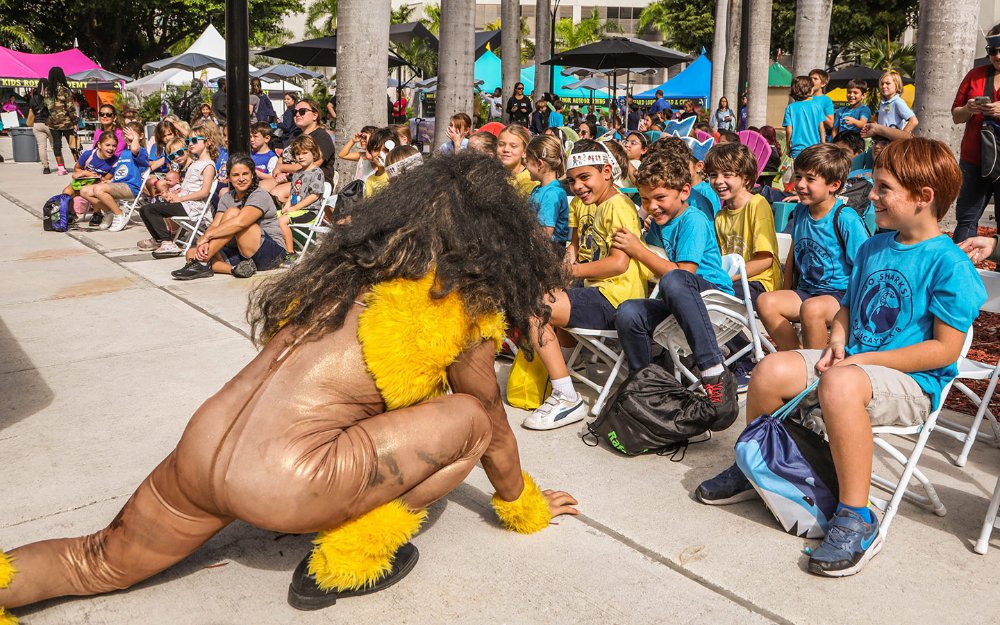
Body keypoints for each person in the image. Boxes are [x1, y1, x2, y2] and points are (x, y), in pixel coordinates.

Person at [0, 152, 578, 621]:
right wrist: (523, 505)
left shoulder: (341, 274)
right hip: (287, 482)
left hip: (200, 450)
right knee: (471, 418)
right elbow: (493, 429)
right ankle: (344, 559)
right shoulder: (455, 302)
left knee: (92, 561)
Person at [697, 137, 985, 577]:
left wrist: (860, 363)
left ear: (923, 197)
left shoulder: (948, 263)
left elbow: (943, 350)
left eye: (883, 188)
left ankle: (856, 515)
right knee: (771, 369)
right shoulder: (875, 247)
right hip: (850, 365)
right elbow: (848, 305)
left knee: (839, 382)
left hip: (911, 382)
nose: (871, 195)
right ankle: (759, 468)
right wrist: (837, 340)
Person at [521, 140, 648, 430]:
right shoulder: (589, 203)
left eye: (584, 178)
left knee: (538, 309)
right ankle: (560, 375)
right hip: (596, 290)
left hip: (616, 298)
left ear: (606, 171)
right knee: (541, 297)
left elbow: (619, 263)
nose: (577, 186)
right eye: (573, 180)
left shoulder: (618, 206)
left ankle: (566, 396)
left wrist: (573, 271)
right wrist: (563, 267)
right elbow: (575, 246)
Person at [611, 149, 739, 422]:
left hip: (715, 300)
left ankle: (713, 370)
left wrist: (638, 249)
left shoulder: (693, 219)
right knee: (628, 312)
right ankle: (647, 388)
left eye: (660, 198)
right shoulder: (659, 224)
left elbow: (684, 273)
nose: (652, 205)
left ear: (684, 191)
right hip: (677, 300)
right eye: (645, 199)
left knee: (674, 279)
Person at [756, 144, 869, 351]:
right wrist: (786, 289)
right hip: (807, 291)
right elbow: (793, 255)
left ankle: (816, 374)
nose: (800, 184)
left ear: (833, 185)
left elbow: (864, 265)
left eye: (810, 179)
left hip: (840, 296)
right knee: (765, 301)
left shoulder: (845, 218)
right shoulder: (801, 211)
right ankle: (798, 358)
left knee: (811, 309)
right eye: (798, 176)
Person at [164, 153, 284, 280]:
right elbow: (215, 224)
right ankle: (236, 269)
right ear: (229, 178)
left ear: (252, 174)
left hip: (270, 253)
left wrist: (207, 237)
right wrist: (206, 242)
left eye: (245, 174)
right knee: (191, 253)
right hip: (242, 252)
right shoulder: (227, 197)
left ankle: (199, 264)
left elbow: (240, 222)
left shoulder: (259, 195)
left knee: (233, 213)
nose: (241, 178)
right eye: (236, 175)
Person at [708, 142, 782, 315]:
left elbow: (765, 260)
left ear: (746, 178)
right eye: (713, 175)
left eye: (727, 175)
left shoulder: (757, 204)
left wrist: (727, 279)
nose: (718, 181)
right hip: (734, 280)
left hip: (760, 283)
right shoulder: (721, 216)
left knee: (714, 302)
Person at [951, 24, 1000, 243]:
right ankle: (959, 272)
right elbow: (956, 115)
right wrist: (968, 109)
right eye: (992, 50)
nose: (997, 55)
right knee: (966, 219)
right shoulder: (976, 74)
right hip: (974, 160)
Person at [136, 135, 217, 257]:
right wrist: (171, 195)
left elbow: (203, 192)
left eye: (179, 153)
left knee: (150, 209)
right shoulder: (185, 168)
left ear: (187, 150)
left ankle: (168, 242)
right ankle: (159, 240)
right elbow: (187, 190)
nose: (177, 157)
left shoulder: (201, 165)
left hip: (193, 207)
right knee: (143, 209)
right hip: (185, 203)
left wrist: (179, 198)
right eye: (172, 156)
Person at [260, 99, 336, 202]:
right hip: (291, 179)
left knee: (276, 194)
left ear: (315, 115)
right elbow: (281, 159)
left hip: (313, 182)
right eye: (295, 112)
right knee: (259, 189)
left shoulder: (322, 137)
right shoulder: (295, 135)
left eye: (302, 111)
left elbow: (308, 167)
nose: (297, 115)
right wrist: (279, 173)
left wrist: (282, 168)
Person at [80, 122, 150, 232]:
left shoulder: (140, 151)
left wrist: (135, 139)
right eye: (126, 134)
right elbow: (121, 173)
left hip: (131, 187)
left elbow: (135, 149)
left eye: (131, 134)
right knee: (84, 191)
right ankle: (109, 212)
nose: (128, 137)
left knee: (98, 189)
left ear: (140, 136)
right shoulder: (124, 153)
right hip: (118, 185)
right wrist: (110, 181)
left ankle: (120, 214)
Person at [276, 135, 326, 266]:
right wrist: (286, 206)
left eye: (305, 153)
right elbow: (293, 193)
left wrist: (294, 208)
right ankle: (279, 249)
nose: (300, 156)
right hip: (296, 209)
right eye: (297, 154)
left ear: (314, 153)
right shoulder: (297, 173)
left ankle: (290, 254)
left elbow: (314, 195)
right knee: (272, 216)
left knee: (282, 220)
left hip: (309, 211)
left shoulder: (317, 172)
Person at [525, 135, 569, 252]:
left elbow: (545, 234)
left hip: (550, 253)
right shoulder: (538, 189)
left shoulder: (552, 194)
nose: (526, 166)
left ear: (539, 164)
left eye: (527, 161)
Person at [63, 133, 118, 227]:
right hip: (83, 181)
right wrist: (86, 173)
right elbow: (77, 168)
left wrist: (97, 176)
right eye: (107, 145)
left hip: (98, 184)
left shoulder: (115, 161)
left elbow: (106, 179)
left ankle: (97, 213)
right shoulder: (89, 154)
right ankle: (71, 213)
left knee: (94, 191)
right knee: (66, 192)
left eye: (114, 146)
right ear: (99, 145)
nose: (111, 148)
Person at [863, 71, 918, 142]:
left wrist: (902, 137)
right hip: (882, 142)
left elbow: (914, 121)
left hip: (893, 144)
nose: (883, 86)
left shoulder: (897, 102)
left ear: (897, 85)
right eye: (882, 84)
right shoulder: (882, 103)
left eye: (887, 83)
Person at [44, 66, 78, 176]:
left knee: (57, 145)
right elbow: (70, 108)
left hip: (53, 123)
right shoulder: (65, 90)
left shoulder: (46, 91)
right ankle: (78, 165)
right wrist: (75, 122)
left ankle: (60, 168)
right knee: (73, 144)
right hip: (67, 122)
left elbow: (47, 106)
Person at [783, 76, 826, 159]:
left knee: (798, 171)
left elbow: (789, 130)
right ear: (809, 89)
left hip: (797, 149)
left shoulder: (791, 108)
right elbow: (821, 128)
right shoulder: (817, 106)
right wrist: (823, 145)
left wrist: (788, 147)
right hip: (814, 149)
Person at [497, 124, 537, 198]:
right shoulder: (492, 176)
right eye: (501, 144)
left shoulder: (531, 182)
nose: (506, 149)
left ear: (524, 152)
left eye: (513, 146)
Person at [29, 79, 54, 174]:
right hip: (49, 123)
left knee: (41, 147)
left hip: (37, 124)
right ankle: (61, 165)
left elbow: (32, 110)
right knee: (55, 145)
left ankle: (46, 168)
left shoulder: (33, 98)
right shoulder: (50, 97)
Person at [363, 127, 394, 198]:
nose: (380, 154)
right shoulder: (370, 180)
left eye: (385, 150)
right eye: (376, 150)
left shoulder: (397, 174)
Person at [808, 69, 836, 139]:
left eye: (815, 79)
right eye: (810, 78)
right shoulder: (802, 96)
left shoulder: (827, 100)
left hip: (817, 138)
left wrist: (817, 110)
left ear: (823, 84)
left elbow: (830, 124)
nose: (811, 81)